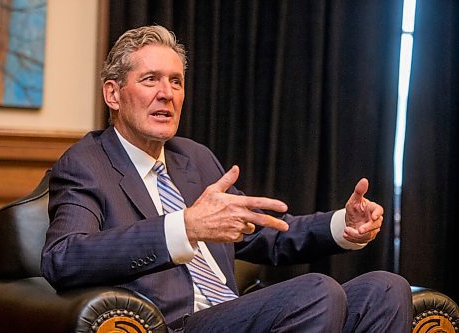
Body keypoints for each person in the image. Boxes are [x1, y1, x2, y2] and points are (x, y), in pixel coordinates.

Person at [41, 25, 412, 332]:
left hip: (233, 313)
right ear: (113, 93)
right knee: (317, 291)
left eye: (176, 82)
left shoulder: (195, 158)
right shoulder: (86, 162)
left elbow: (266, 234)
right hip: (175, 324)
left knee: (386, 288)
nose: (166, 94)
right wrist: (183, 227)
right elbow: (64, 258)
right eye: (150, 79)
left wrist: (342, 226)